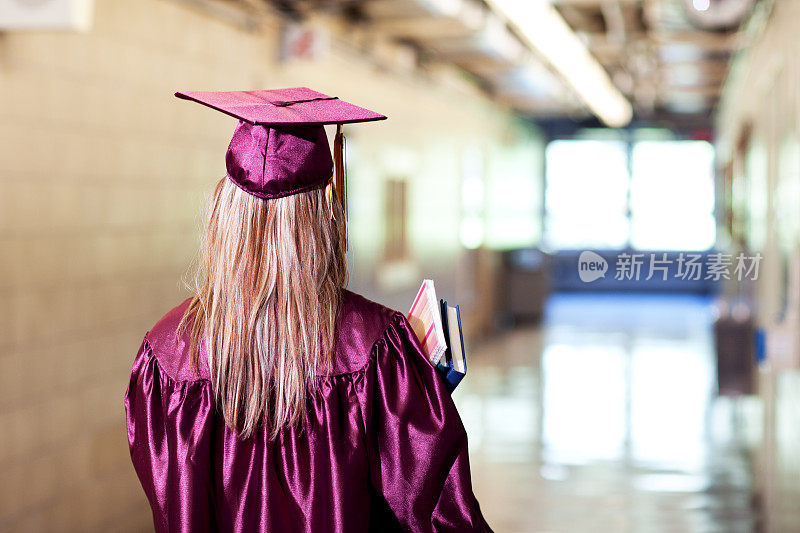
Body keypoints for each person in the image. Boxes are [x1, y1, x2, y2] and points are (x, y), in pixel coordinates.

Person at [124, 88, 491, 532]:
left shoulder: (165, 355)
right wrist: (417, 396)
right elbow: (437, 514)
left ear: (224, 209)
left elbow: (172, 505)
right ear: (324, 214)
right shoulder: (378, 346)